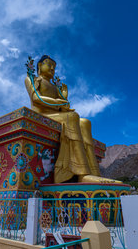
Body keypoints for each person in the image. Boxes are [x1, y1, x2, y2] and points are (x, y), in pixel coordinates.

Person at [25, 55, 120, 184]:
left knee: (85, 123)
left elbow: (64, 107)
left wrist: (64, 97)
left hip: (58, 116)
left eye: (54, 66)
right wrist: (59, 102)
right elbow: (36, 99)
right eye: (49, 64)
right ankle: (82, 174)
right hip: (43, 115)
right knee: (73, 116)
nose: (52, 68)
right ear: (40, 66)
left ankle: (94, 173)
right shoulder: (33, 79)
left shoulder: (54, 87)